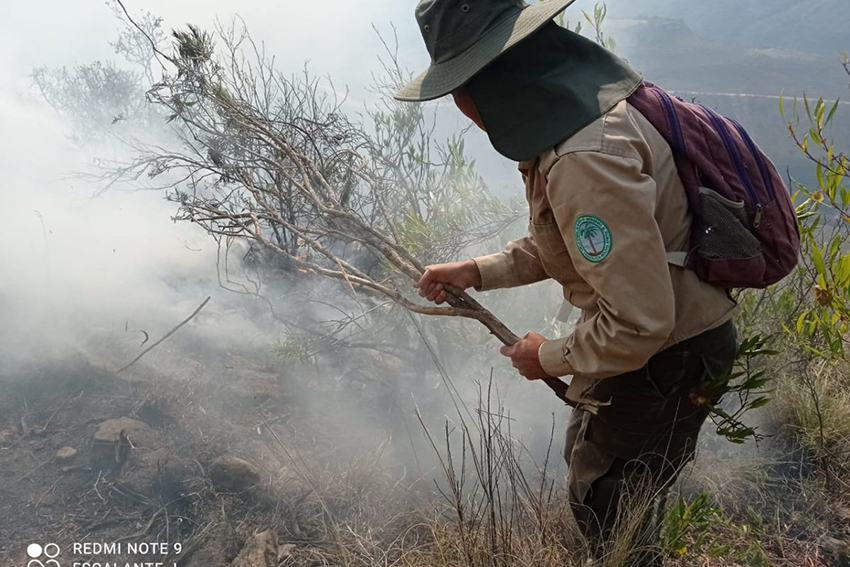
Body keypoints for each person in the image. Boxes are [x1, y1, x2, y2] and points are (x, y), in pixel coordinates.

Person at [394, 1, 739, 565]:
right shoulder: (577, 125)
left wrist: (547, 355)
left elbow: (639, 321)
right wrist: (478, 271)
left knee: (609, 503)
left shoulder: (585, 157)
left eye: (460, 89)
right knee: (597, 474)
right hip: (654, 349)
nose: (461, 109)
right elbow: (577, 244)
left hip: (666, 356)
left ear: (495, 81)